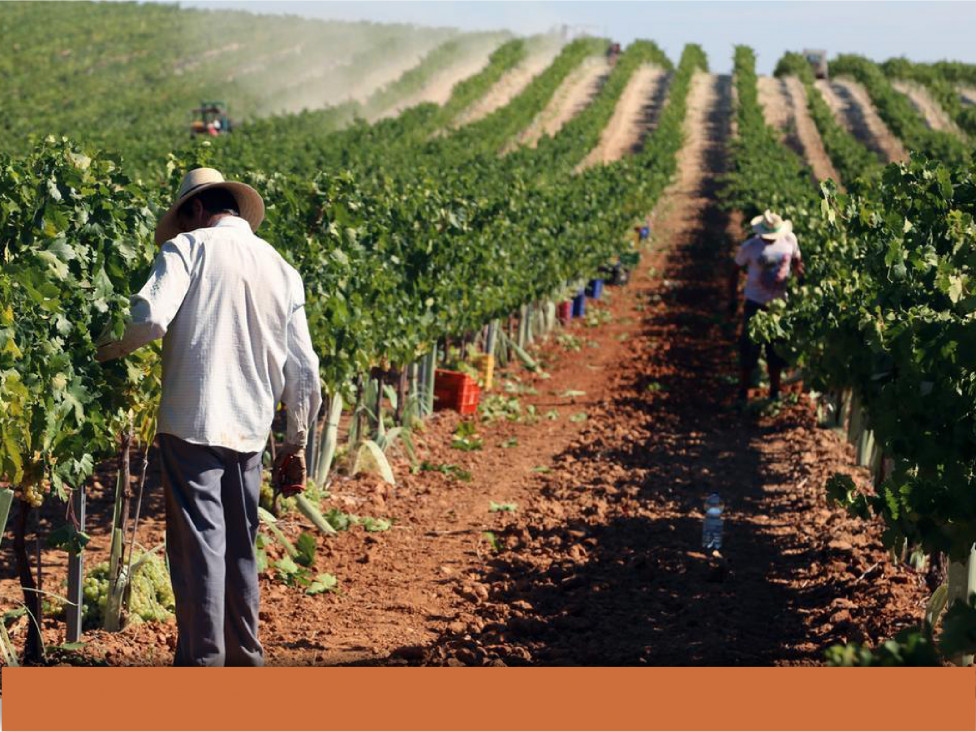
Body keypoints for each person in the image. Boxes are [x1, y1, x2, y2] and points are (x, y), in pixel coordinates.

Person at [97, 168, 322, 666]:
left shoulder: (189, 250)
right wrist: (295, 444)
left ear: (197, 210)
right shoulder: (282, 269)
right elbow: (305, 370)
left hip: (191, 426)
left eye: (182, 220)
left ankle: (204, 677)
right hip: (250, 432)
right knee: (241, 553)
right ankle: (245, 663)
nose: (180, 231)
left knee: (200, 556)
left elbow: (151, 318)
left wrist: (100, 350)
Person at [730, 210, 803, 404]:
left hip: (779, 307)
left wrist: (801, 277)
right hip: (754, 304)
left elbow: (797, 261)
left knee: (776, 351)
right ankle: (743, 391)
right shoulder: (751, 246)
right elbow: (735, 270)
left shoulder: (789, 240)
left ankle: (774, 391)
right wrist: (733, 298)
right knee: (749, 348)